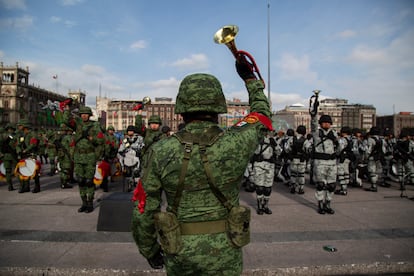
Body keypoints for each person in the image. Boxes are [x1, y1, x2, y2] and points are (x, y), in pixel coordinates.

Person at [131, 57, 272, 275]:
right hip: (227, 251)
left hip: (179, 253)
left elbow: (143, 208)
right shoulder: (237, 141)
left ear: (181, 108)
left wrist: (149, 250)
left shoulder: (160, 150)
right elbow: (262, 115)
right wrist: (250, 78)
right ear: (218, 106)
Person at [63, 105, 105, 213]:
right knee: (80, 181)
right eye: (82, 114)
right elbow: (66, 121)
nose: (84, 116)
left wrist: (93, 139)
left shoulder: (95, 126)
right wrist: (67, 109)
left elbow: (101, 141)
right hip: (78, 157)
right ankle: (84, 203)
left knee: (89, 181)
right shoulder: (77, 125)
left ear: (89, 115)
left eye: (86, 114)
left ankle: (90, 203)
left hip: (90, 156)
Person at [311, 114, 338, 214]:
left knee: (331, 185)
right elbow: (313, 124)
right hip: (320, 162)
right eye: (324, 122)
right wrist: (313, 115)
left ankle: (328, 204)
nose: (326, 124)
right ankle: (320, 204)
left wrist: (336, 140)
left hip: (332, 162)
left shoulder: (334, 133)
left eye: (328, 122)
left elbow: (339, 147)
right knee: (320, 185)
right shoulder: (316, 133)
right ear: (321, 124)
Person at [251, 132, 278, 214]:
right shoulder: (257, 140)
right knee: (259, 187)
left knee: (268, 188)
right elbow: (252, 153)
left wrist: (275, 145)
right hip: (259, 165)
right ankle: (260, 206)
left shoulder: (272, 141)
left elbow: (279, 152)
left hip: (270, 166)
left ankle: (265, 206)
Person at [15, 120, 41, 193]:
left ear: (24, 126)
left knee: (34, 170)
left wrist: (26, 150)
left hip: (31, 154)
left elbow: (33, 144)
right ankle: (26, 187)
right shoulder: (22, 134)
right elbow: (19, 144)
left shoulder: (32, 134)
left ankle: (37, 186)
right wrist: (19, 150)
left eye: (20, 125)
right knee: (24, 170)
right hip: (24, 155)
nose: (19, 127)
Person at [285, 125, 309, 195]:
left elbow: (286, 149)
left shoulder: (291, 139)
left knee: (293, 174)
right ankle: (301, 189)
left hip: (293, 159)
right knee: (301, 175)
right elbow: (307, 150)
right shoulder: (305, 140)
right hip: (301, 159)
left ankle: (293, 187)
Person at [335, 126, 355, 195]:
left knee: (341, 173)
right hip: (348, 158)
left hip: (342, 158)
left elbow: (340, 148)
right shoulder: (351, 139)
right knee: (346, 172)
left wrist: (336, 154)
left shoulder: (343, 139)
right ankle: (345, 188)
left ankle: (343, 189)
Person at [363, 126, 383, 192]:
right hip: (379, 157)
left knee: (372, 172)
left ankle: (373, 186)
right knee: (376, 172)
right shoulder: (381, 139)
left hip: (372, 157)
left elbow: (368, 150)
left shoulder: (370, 139)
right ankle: (375, 185)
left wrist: (366, 157)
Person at [55, 124, 74, 189]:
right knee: (66, 169)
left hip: (60, 154)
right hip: (66, 155)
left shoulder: (58, 137)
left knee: (62, 168)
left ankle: (62, 182)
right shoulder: (68, 137)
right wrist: (72, 156)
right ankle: (64, 183)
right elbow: (72, 146)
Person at [1, 124, 18, 191]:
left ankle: (10, 186)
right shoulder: (15, 136)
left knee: (8, 171)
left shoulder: (2, 136)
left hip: (5, 156)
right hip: (13, 155)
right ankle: (22, 185)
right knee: (17, 170)